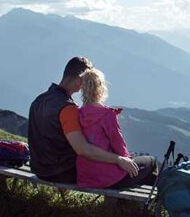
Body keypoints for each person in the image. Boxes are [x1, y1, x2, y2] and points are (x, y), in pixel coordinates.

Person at [27, 56, 140, 184]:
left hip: (39, 169)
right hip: (61, 173)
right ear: (80, 79)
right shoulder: (67, 109)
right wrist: (118, 159)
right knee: (142, 165)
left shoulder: (39, 100)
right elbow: (82, 149)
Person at [76, 68, 156, 188]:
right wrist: (126, 158)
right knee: (151, 162)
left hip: (86, 177)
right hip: (108, 178)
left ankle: (129, 204)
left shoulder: (78, 114)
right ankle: (144, 205)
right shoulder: (106, 115)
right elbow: (118, 145)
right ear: (101, 88)